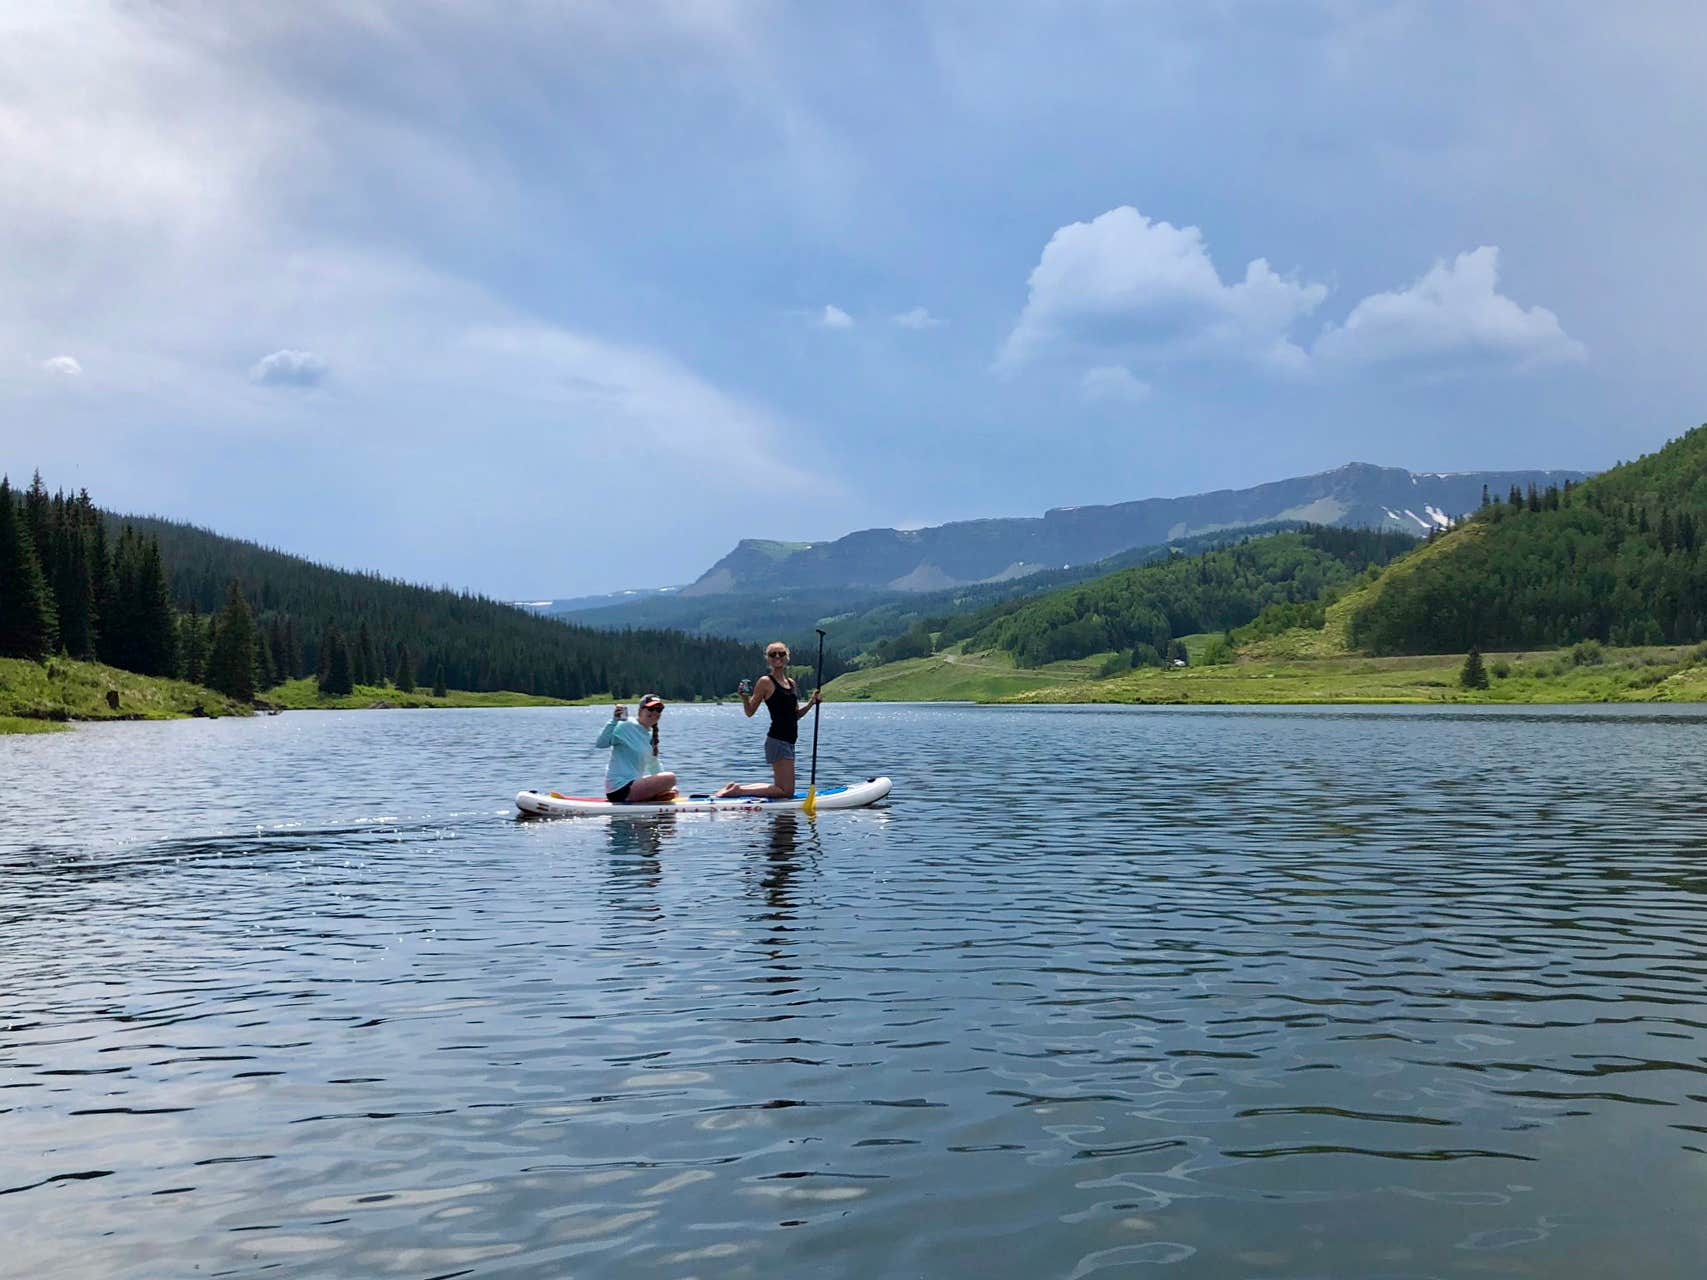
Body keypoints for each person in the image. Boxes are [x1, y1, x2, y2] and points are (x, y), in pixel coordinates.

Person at [713, 641, 820, 799]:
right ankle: (738, 792)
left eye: (781, 653)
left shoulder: (791, 683)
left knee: (782, 788)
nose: (777, 657)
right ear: (768, 659)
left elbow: (794, 715)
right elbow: (750, 712)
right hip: (777, 740)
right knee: (786, 792)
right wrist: (744, 697)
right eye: (773, 654)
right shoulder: (765, 682)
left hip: (790, 741)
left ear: (787, 657)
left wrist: (812, 702)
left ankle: (737, 788)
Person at [595, 695, 678, 803]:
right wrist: (614, 721)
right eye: (651, 709)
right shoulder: (626, 725)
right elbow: (601, 743)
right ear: (640, 710)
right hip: (619, 789)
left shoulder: (649, 735)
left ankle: (655, 798)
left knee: (673, 790)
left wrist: (669, 788)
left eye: (658, 710)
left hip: (632, 786)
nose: (655, 713)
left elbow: (654, 766)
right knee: (670, 778)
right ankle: (653, 798)